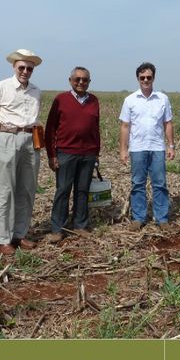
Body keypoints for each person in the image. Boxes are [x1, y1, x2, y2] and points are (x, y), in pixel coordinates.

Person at [0, 47, 43, 256]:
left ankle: (20, 234)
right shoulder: (0, 87)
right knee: (5, 191)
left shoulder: (36, 91)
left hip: (30, 140)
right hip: (7, 138)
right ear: (14, 66)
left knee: (27, 190)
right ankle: (2, 238)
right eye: (22, 67)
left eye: (29, 68)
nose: (25, 71)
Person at [44, 67, 101, 243]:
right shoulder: (61, 99)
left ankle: (80, 225)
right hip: (66, 152)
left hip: (88, 154)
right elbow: (50, 129)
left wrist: (96, 153)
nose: (81, 82)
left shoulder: (93, 101)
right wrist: (52, 155)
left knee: (83, 190)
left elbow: (95, 128)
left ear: (89, 82)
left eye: (85, 80)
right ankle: (57, 229)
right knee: (63, 190)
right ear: (70, 80)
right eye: (77, 79)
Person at [119, 63, 174, 228]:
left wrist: (171, 145)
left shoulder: (162, 98)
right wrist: (123, 149)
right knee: (138, 183)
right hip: (137, 148)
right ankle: (138, 218)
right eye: (142, 78)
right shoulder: (130, 100)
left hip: (157, 147)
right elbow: (125, 126)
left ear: (153, 78)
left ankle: (162, 219)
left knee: (160, 183)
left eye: (149, 77)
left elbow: (168, 123)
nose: (145, 80)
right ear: (138, 79)